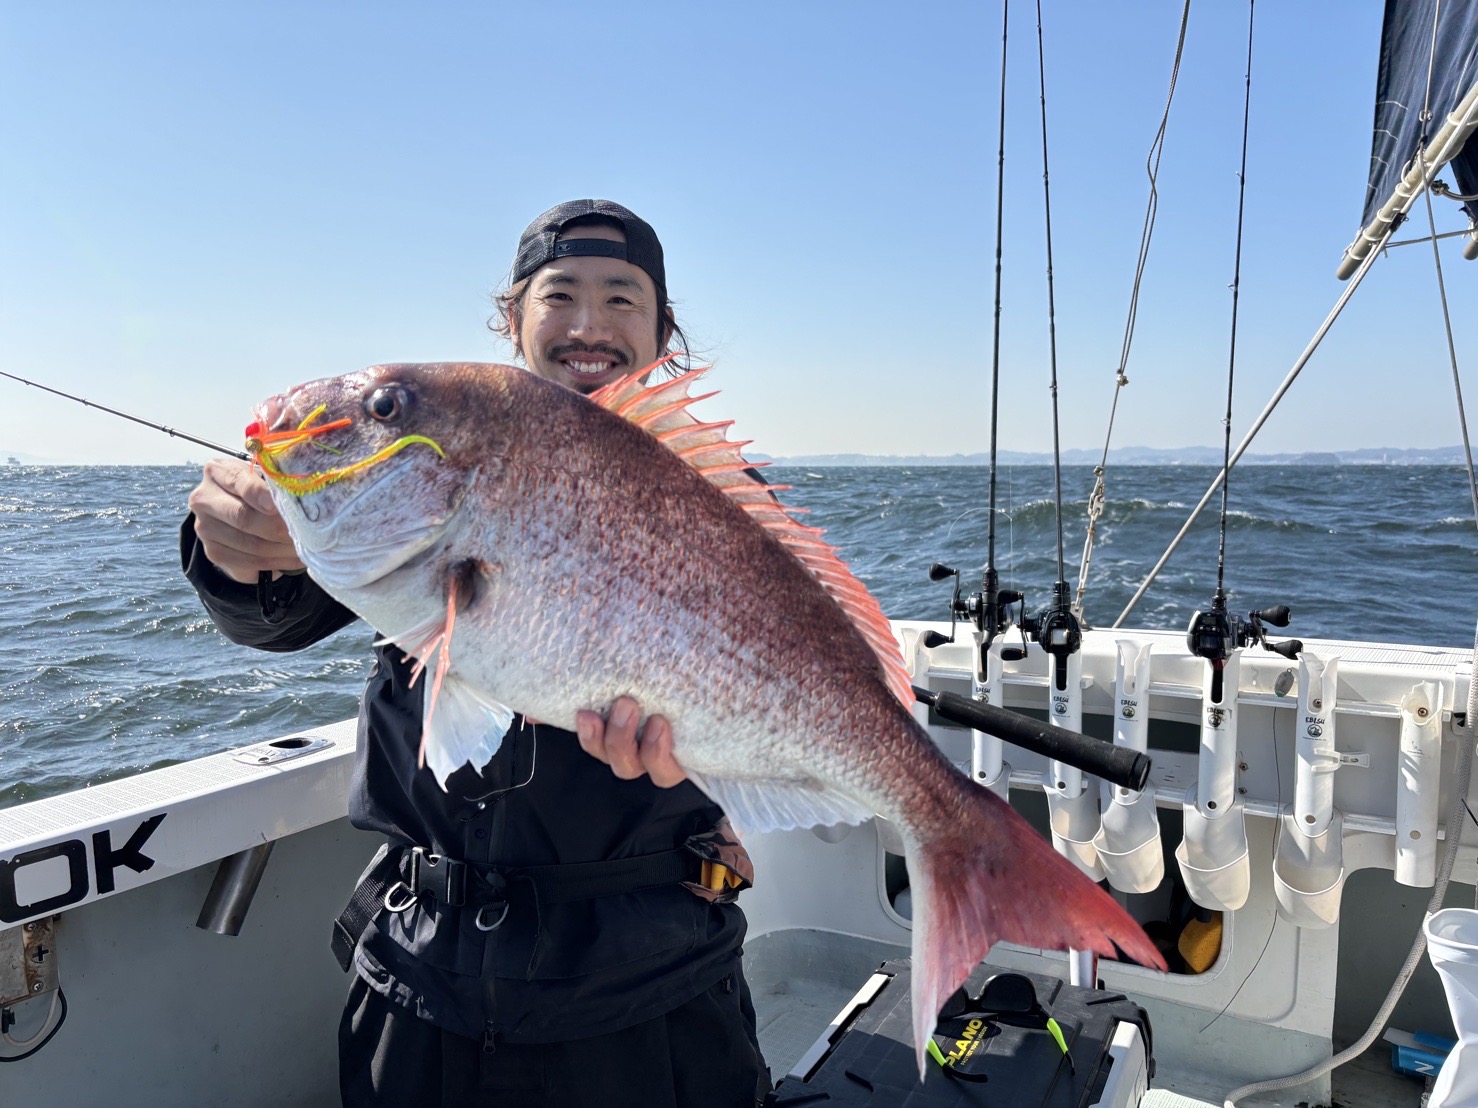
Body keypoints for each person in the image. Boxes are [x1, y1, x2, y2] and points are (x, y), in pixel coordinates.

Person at [181, 199, 769, 1108]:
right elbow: (274, 620)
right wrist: (234, 551)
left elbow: (790, 682)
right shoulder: (433, 454)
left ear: (662, 332)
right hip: (421, 973)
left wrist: (733, 784)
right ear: (513, 320)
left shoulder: (716, 493)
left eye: (622, 299)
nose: (589, 325)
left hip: (650, 983)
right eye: (559, 294)